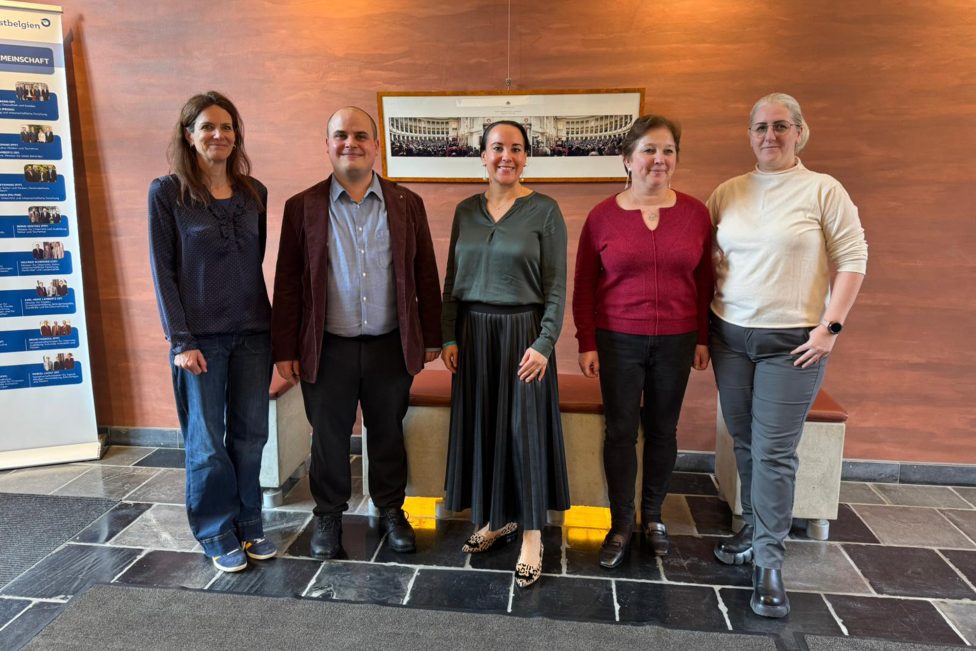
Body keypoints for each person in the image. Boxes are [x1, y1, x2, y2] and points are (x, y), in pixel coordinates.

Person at [707, 93, 868, 618]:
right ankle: (754, 529)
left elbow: (853, 258)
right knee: (746, 442)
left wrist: (830, 328)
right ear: (748, 134)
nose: (769, 136)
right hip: (731, 338)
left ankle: (769, 565)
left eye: (780, 126)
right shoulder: (727, 193)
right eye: (759, 127)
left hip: (793, 344)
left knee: (775, 451)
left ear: (799, 131)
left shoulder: (824, 190)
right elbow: (706, 260)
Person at [272, 106, 441, 560]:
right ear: (327, 144)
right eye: (341, 135)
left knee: (387, 431)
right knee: (327, 436)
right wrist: (284, 347)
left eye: (361, 135)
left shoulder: (407, 204)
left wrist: (432, 337)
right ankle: (328, 514)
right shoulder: (301, 207)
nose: (352, 143)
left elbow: (425, 273)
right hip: (327, 348)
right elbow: (287, 282)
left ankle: (390, 510)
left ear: (376, 145)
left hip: (390, 344)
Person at [573, 115, 713, 569]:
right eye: (649, 150)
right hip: (618, 340)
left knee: (662, 431)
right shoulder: (602, 216)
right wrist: (587, 342)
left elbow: (706, 280)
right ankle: (620, 523)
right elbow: (584, 286)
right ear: (628, 160)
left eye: (668, 150)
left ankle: (652, 517)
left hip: (677, 339)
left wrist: (703, 337)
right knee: (619, 431)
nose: (659, 159)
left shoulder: (695, 214)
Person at [148, 90, 276, 573]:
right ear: (189, 134)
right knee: (206, 443)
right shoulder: (167, 193)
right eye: (207, 127)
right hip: (198, 341)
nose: (219, 135)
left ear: (236, 134)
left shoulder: (254, 193)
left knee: (250, 437)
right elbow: (163, 272)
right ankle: (215, 529)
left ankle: (250, 522)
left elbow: (255, 259)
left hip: (253, 335)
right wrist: (181, 341)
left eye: (227, 127)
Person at [440, 120, 570, 589]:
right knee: (486, 429)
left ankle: (532, 535)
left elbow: (556, 288)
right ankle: (496, 520)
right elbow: (452, 278)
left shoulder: (546, 211)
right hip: (473, 337)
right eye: (497, 148)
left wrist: (544, 343)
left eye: (516, 149)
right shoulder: (465, 211)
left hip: (524, 337)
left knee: (524, 434)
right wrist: (449, 336)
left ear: (526, 156)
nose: (506, 157)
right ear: (483, 155)